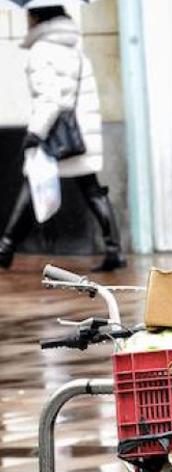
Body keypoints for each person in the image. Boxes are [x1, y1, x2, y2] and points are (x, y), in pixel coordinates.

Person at [0, 5, 124, 272]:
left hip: (55, 136)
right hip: (78, 134)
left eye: (29, 15)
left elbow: (51, 99)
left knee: (32, 183)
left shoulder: (42, 51)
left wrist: (35, 133)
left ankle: (5, 248)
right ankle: (114, 249)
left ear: (37, 17)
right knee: (92, 189)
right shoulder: (74, 49)